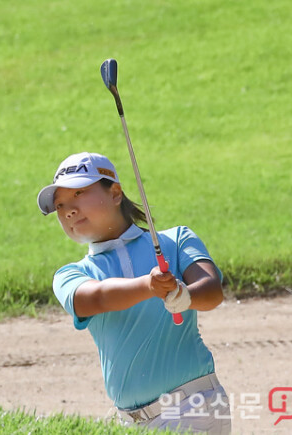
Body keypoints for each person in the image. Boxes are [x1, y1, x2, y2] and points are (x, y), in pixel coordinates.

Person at [37, 152, 231, 434]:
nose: (69, 210)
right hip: (130, 423)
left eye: (79, 193)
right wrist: (148, 286)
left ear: (115, 193)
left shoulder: (175, 240)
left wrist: (185, 295)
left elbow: (212, 290)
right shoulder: (69, 275)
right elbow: (94, 299)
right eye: (60, 205)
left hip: (193, 407)